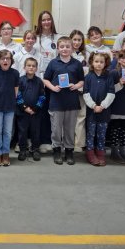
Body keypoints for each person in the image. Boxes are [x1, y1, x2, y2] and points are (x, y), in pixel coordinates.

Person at [42, 36, 84, 165]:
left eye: (67, 46)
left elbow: (82, 80)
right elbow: (45, 79)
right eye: (62, 47)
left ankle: (69, 151)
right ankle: (56, 150)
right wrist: (53, 88)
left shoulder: (77, 64)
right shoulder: (53, 63)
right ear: (58, 48)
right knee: (56, 129)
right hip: (56, 102)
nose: (64, 49)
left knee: (70, 129)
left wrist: (76, 86)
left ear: (72, 48)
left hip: (72, 102)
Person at [83, 51, 116, 166]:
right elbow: (86, 93)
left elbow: (111, 93)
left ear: (105, 63)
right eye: (96, 61)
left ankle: (101, 153)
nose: (99, 64)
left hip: (104, 111)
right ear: (92, 62)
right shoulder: (88, 77)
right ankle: (90, 153)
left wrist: (102, 106)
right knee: (91, 134)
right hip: (91, 112)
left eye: (101, 62)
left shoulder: (109, 76)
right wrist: (93, 106)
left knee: (101, 135)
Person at [35, 11, 61, 152]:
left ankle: (51, 141)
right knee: (41, 111)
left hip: (53, 81)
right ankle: (40, 141)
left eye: (48, 19)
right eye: (43, 20)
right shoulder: (35, 38)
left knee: (53, 112)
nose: (46, 22)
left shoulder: (58, 38)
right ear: (40, 22)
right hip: (38, 79)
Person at [0, 50, 19, 166]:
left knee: (7, 132)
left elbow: (16, 90)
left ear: (11, 61)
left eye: (8, 58)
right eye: (2, 59)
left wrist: (13, 102)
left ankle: (6, 153)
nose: (5, 61)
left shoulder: (15, 73)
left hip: (10, 107)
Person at [16, 57, 45, 161]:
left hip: (36, 112)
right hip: (22, 112)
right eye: (29, 65)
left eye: (33, 66)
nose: (31, 67)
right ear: (24, 67)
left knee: (35, 131)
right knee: (22, 131)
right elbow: (18, 95)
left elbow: (42, 96)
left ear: (36, 68)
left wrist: (36, 108)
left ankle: (35, 149)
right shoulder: (20, 80)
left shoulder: (39, 81)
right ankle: (23, 150)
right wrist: (24, 108)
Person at [70, 29, 87, 151]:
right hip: (68, 90)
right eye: (74, 39)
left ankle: (79, 143)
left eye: (79, 40)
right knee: (67, 117)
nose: (76, 42)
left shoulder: (86, 55)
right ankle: (66, 142)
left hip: (81, 90)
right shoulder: (65, 53)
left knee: (81, 117)